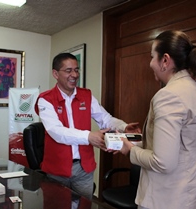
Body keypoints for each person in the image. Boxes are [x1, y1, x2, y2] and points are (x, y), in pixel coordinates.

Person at [119, 30, 196, 209]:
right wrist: (143, 139)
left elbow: (163, 162)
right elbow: (181, 145)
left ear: (165, 60)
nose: (150, 63)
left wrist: (130, 150)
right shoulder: (194, 90)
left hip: (169, 197)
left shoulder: (168, 95)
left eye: (152, 57)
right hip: (193, 193)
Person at [35, 53, 141, 199]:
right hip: (57, 169)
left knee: (84, 205)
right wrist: (89, 136)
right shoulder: (45, 99)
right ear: (55, 74)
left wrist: (123, 127)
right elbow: (56, 131)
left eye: (76, 70)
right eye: (68, 70)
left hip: (84, 169)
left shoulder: (86, 96)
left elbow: (105, 119)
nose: (74, 74)